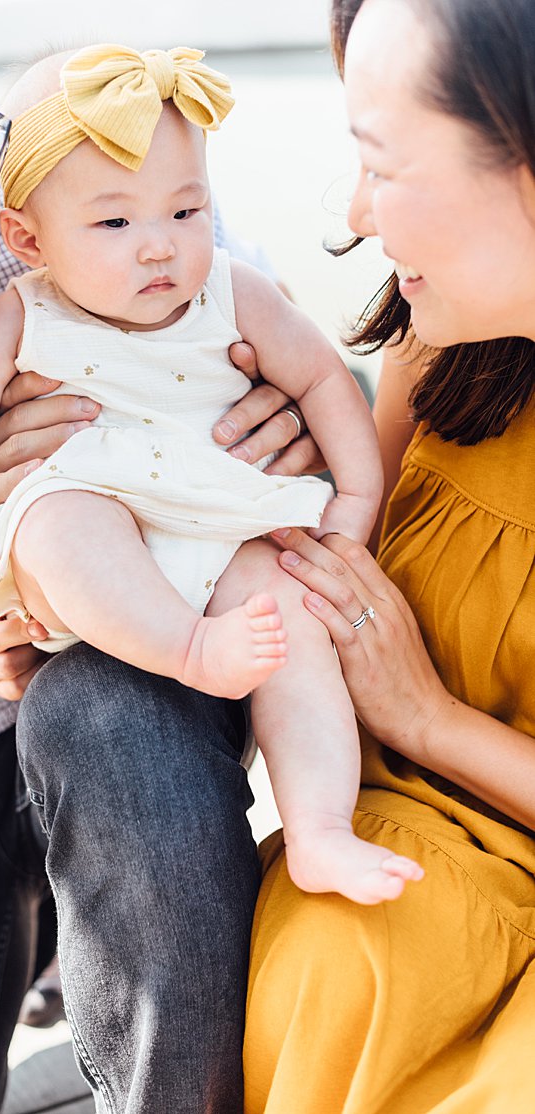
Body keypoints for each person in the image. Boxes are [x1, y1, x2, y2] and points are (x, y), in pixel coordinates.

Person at [0, 1, 319, 1108]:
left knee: (108, 725)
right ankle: (33, 933)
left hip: (144, 658)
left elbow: (269, 358)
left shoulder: (69, 136)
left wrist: (286, 426)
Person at [0, 46, 417, 905]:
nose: (161, 250)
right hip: (101, 538)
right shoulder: (18, 312)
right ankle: (188, 651)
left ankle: (321, 829)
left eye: (186, 210)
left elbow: (324, 377)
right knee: (59, 519)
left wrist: (357, 498)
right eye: (114, 224)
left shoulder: (234, 289)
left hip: (223, 525)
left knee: (295, 624)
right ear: (28, 237)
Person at [244, 0, 535, 1108]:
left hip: (447, 762)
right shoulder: (445, 342)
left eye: (381, 162)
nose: (358, 214)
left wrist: (428, 717)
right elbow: (319, 569)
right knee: (338, 961)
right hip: (419, 825)